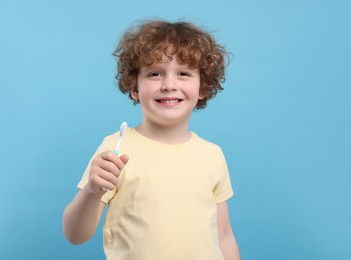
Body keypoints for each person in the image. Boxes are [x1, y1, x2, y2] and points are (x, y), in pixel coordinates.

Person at [63, 20, 240, 260]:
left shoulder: (212, 154)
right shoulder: (115, 151)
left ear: (203, 87)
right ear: (135, 87)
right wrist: (92, 191)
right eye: (155, 73)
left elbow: (224, 236)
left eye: (184, 73)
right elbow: (75, 235)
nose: (169, 85)